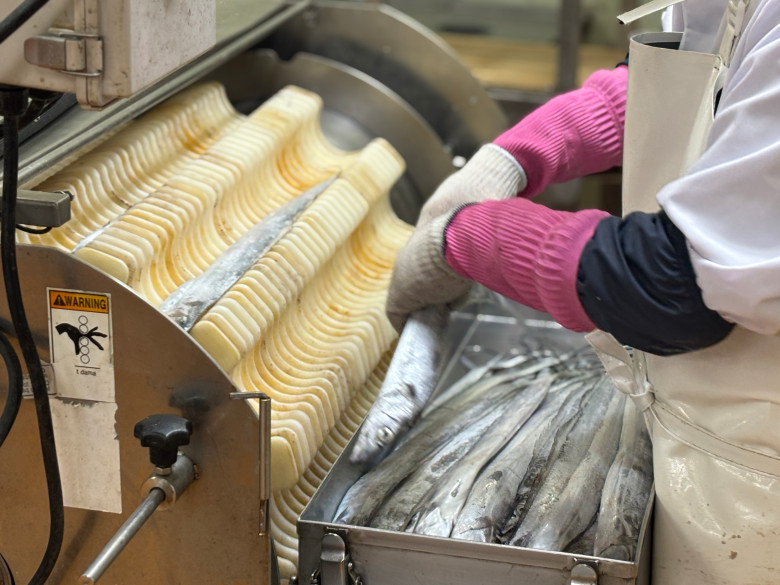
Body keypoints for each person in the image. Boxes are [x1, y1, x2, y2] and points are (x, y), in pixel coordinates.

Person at [385, 0, 780, 583]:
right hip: (705, 443)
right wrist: (520, 154)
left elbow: (676, 285)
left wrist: (467, 239)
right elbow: (706, 79)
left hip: (758, 491)